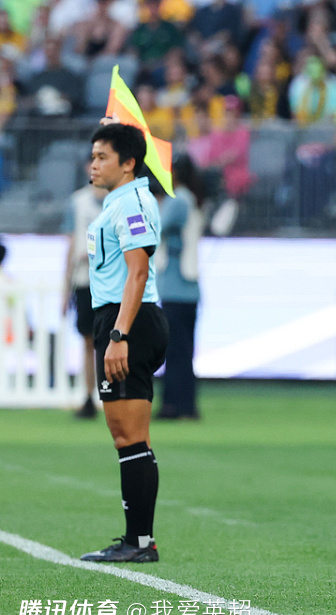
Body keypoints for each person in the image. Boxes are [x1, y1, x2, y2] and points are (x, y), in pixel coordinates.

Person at [80, 122, 169, 563]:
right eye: (93, 156)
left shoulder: (132, 203)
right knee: (130, 438)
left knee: (129, 438)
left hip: (127, 321)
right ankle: (139, 540)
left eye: (102, 157)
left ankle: (139, 543)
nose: (93, 165)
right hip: (120, 318)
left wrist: (119, 335)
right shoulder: (119, 201)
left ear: (129, 163)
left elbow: (138, 271)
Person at [155, 155, 204, 420]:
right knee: (184, 351)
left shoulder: (178, 200)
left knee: (174, 350)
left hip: (175, 287)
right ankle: (186, 403)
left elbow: (157, 228)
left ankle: (173, 405)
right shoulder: (192, 199)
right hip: (188, 288)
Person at [62, 181, 107, 419]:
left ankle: (113, 396)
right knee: (89, 341)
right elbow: (71, 246)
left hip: (112, 283)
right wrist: (65, 289)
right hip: (85, 280)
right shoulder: (78, 202)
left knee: (111, 341)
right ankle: (89, 395)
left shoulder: (120, 200)